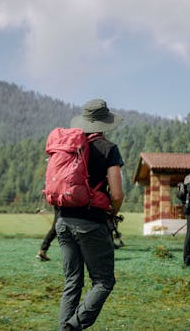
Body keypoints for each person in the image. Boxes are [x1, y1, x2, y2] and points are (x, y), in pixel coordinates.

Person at [56, 99, 124, 331]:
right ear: (105, 123)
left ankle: (64, 327)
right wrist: (113, 212)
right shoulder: (109, 149)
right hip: (91, 223)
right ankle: (72, 327)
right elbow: (116, 194)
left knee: (72, 282)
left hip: (63, 221)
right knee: (104, 281)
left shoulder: (69, 146)